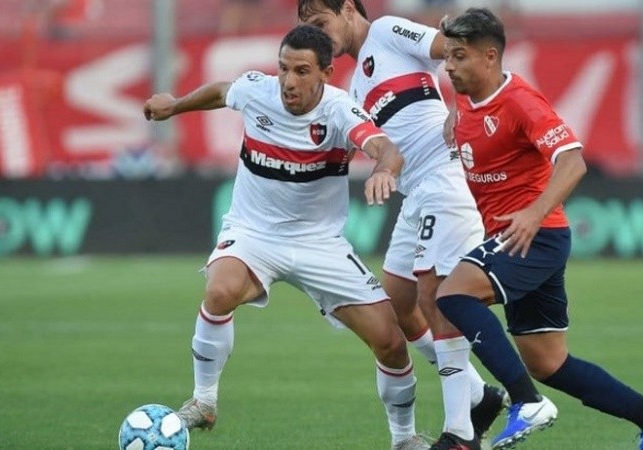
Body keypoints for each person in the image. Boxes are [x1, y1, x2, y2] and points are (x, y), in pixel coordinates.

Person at [144, 25, 431, 450]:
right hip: (253, 233)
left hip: (320, 244)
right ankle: (203, 401)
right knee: (220, 290)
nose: (288, 81)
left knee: (390, 342)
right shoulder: (257, 90)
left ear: (326, 74)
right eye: (283, 68)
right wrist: (175, 106)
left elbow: (385, 149)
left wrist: (384, 169)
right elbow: (222, 91)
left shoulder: (339, 110)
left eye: (301, 71)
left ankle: (404, 439)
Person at [437, 7, 643, 450]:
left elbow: (573, 161)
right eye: (447, 57)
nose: (449, 67)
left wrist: (534, 213)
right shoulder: (465, 98)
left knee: (453, 294)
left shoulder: (521, 102)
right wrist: (454, 116)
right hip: (520, 238)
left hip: (534, 236)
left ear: (490, 57)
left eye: (459, 57)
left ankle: (526, 402)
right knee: (549, 362)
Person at [297, 1, 508, 448]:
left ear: (348, 9)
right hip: (415, 194)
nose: (319, 33)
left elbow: (458, 47)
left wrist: (462, 107)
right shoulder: (354, 86)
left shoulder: (388, 31)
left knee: (437, 299)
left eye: (321, 22)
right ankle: (478, 394)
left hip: (445, 177)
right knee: (398, 303)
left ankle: (460, 433)